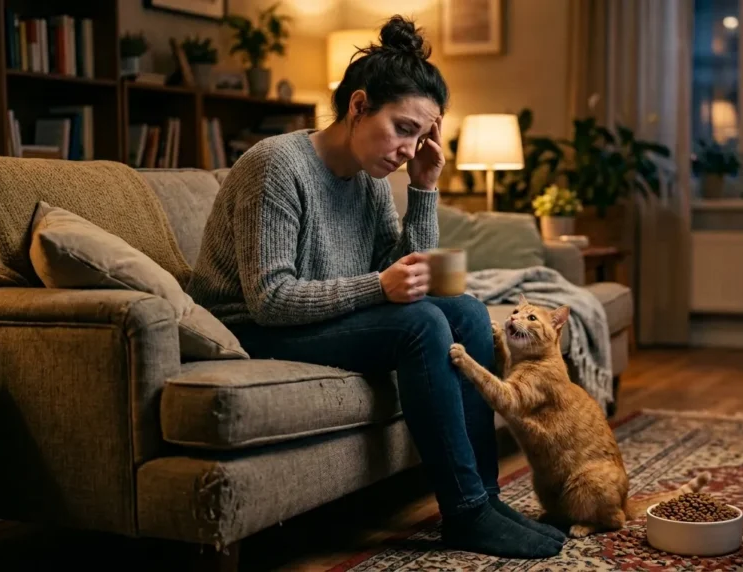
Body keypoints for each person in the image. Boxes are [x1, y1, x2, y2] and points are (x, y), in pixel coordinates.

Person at [186, 15, 565, 559]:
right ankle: (466, 512)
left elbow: (408, 270)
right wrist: (380, 287)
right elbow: (270, 300)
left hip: (315, 318)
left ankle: (483, 496)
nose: (411, 148)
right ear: (359, 106)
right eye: (405, 129)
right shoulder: (276, 166)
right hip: (254, 328)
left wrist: (425, 189)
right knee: (421, 323)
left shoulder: (370, 178)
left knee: (461, 309)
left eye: (423, 135)